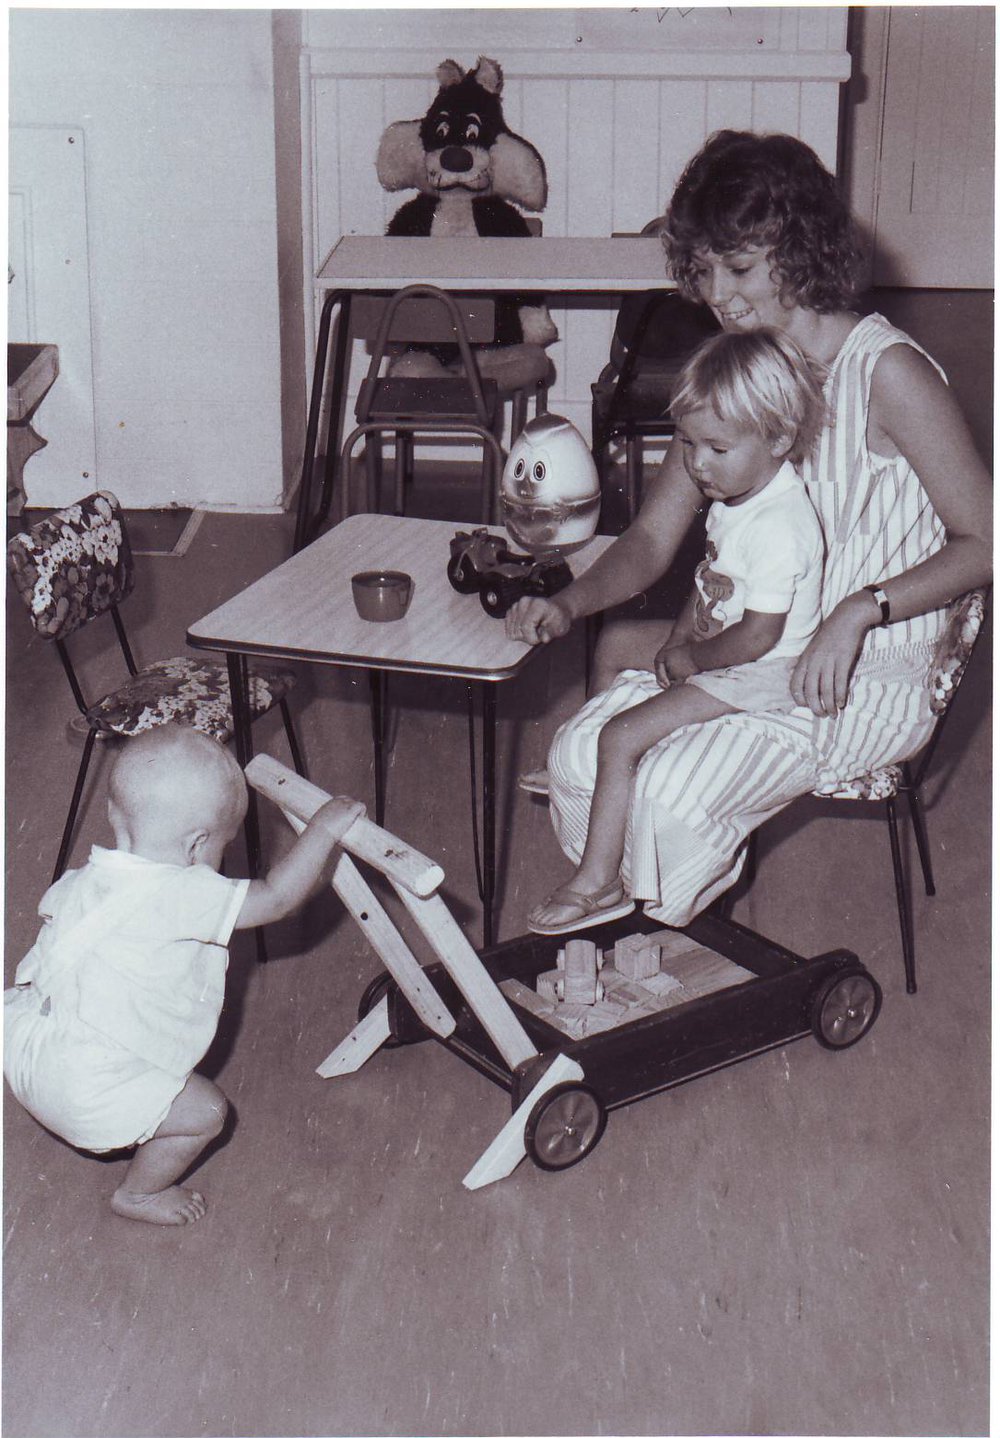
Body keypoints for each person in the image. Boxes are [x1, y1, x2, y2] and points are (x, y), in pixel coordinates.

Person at [506, 129, 991, 933]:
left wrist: (859, 607)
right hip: (754, 653)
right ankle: (641, 919)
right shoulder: (740, 371)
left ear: (801, 252)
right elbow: (652, 541)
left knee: (661, 792)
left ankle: (660, 927)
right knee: (577, 758)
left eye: (738, 269)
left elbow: (989, 540)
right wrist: (571, 599)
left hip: (861, 673)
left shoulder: (889, 375)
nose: (717, 296)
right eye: (701, 271)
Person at [527, 327, 826, 934]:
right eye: (687, 444)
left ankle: (597, 882)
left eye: (715, 447)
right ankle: (590, 788)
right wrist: (678, 635)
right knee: (614, 644)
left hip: (760, 675)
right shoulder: (737, 492)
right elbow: (711, 579)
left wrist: (691, 660)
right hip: (727, 645)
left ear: (779, 439)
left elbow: (758, 636)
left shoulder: (781, 525)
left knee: (620, 736)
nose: (695, 464)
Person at [4, 725, 364, 1227]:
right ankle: (139, 1194)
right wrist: (322, 830)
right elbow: (277, 898)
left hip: (23, 1051)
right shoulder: (184, 891)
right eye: (223, 846)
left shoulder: (81, 880)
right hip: (81, 1093)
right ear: (197, 845)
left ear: (113, 813)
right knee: (208, 1115)